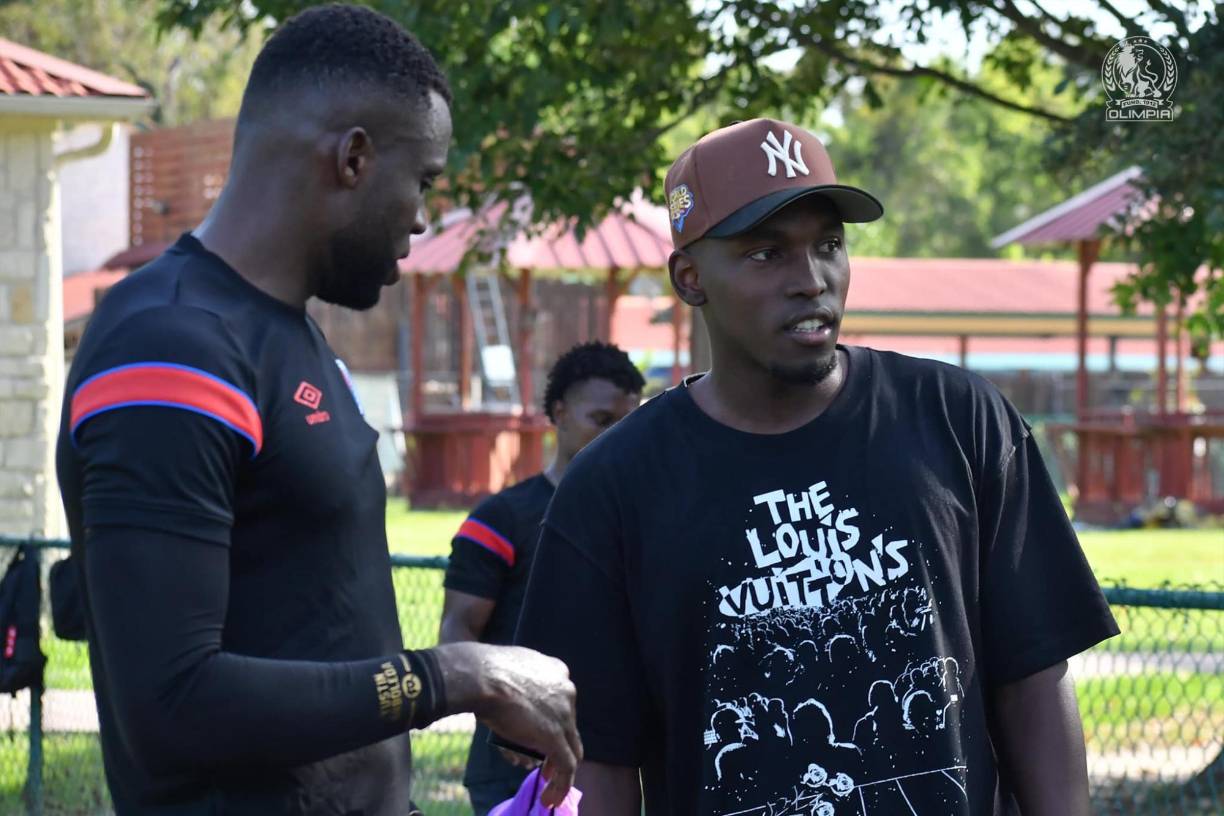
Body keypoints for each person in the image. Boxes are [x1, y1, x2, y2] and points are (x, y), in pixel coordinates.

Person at [55, 6, 579, 814]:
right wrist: (459, 675)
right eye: (425, 181)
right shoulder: (173, 342)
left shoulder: (291, 337)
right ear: (355, 158)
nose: (420, 216)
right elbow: (169, 703)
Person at [513, 118, 1120, 816]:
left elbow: (1035, 680)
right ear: (689, 278)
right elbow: (602, 763)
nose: (811, 280)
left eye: (828, 245)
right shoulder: (612, 487)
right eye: (766, 253)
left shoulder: (959, 419)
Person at [439, 341, 645, 815]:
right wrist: (502, 713)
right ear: (559, 412)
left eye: (626, 422)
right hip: (517, 758)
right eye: (601, 420)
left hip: (612, 759)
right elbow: (457, 630)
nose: (616, 435)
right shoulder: (500, 518)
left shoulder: (644, 517)